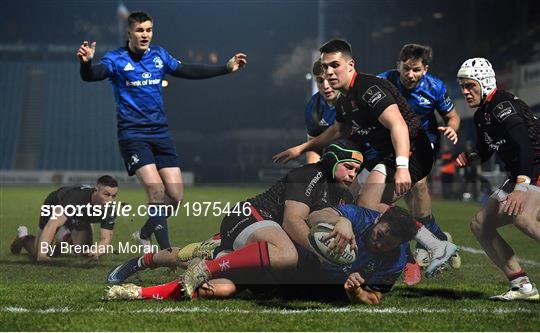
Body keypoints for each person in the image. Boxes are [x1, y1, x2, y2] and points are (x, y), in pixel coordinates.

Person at [273, 39, 457, 278]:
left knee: (368, 206)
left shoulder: (368, 89)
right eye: (325, 66)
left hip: (411, 151)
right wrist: (301, 148)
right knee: (366, 206)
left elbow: (398, 124)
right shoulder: (345, 99)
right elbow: (338, 130)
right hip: (389, 155)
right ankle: (431, 243)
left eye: (335, 65)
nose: (329, 71)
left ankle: (433, 245)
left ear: (351, 65)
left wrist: (402, 167)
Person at [76, 11, 247, 250]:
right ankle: (167, 251)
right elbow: (92, 76)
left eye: (148, 30)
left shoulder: (159, 55)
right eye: (140, 30)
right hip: (133, 136)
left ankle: (144, 233)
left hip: (161, 134)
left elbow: (189, 70)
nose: (145, 35)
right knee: (156, 190)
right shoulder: (115, 59)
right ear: (129, 33)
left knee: (175, 197)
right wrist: (86, 63)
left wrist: (225, 68)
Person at [105, 140, 363, 285]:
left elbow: (321, 216)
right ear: (332, 163)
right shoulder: (310, 174)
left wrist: (343, 222)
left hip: (263, 234)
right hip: (250, 216)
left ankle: (141, 262)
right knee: (286, 256)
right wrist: (320, 251)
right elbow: (293, 220)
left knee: (195, 253)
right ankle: (203, 269)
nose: (352, 174)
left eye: (356, 170)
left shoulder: (342, 192)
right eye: (348, 167)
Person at [105, 204, 417, 305]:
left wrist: (360, 292)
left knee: (221, 288)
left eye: (386, 243)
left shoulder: (396, 259)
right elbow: (311, 218)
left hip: (287, 279)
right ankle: (141, 261)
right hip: (278, 251)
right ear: (377, 222)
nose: (378, 244)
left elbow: (376, 296)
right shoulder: (361, 219)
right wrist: (343, 221)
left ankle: (140, 292)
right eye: (378, 235)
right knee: (194, 255)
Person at [455, 57, 540, 301]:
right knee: (480, 224)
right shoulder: (483, 113)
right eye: (462, 86)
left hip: (534, 169)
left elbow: (524, 142)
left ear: (485, 82)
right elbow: (486, 149)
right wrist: (473, 157)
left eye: (470, 85)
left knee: (523, 218)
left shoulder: (501, 103)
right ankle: (522, 285)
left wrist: (521, 187)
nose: (465, 91)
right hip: (521, 174)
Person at [377, 44, 462, 284]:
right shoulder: (384, 82)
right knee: (400, 197)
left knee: (417, 182)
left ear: (425, 69)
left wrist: (452, 129)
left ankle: (424, 248)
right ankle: (436, 238)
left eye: (416, 69)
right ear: (398, 66)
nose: (410, 75)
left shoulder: (436, 87)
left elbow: (453, 116)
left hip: (424, 142)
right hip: (392, 143)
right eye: (406, 69)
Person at [10, 175, 119, 262]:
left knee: (84, 253)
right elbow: (52, 224)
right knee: (38, 252)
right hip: (55, 205)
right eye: (106, 194)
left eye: (113, 196)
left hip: (80, 216)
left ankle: (65, 237)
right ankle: (23, 237)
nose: (110, 200)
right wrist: (42, 255)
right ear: (95, 190)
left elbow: (106, 238)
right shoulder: (76, 199)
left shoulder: (109, 210)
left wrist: (97, 251)